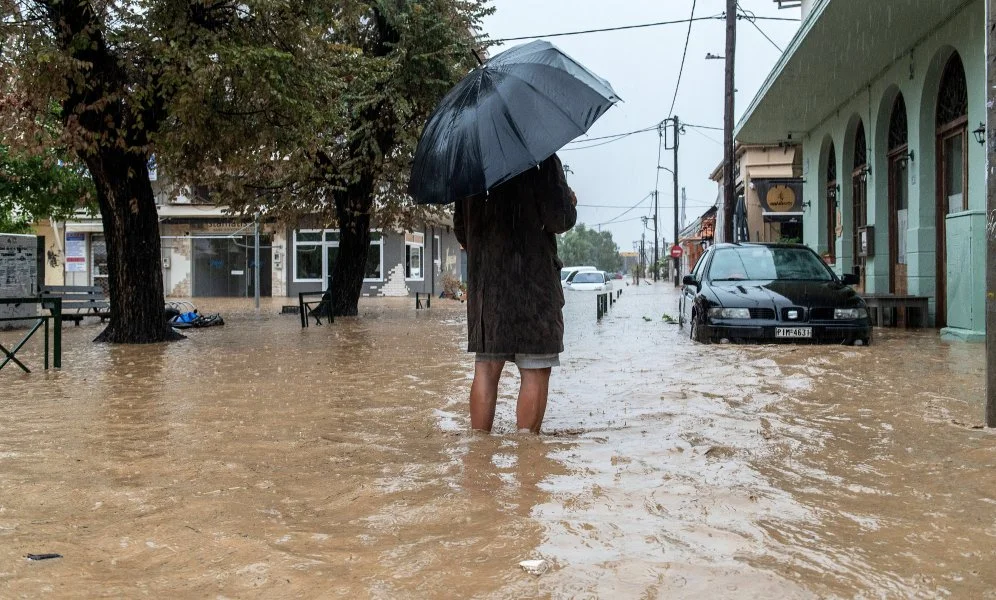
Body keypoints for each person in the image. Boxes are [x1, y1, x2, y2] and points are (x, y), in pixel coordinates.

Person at [453, 153, 577, 433]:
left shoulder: (472, 165)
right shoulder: (540, 157)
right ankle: (527, 456)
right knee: (534, 367)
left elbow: (462, 231)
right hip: (533, 286)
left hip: (488, 288)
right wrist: (569, 200)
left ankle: (479, 452)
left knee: (486, 369)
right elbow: (559, 219)